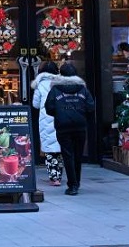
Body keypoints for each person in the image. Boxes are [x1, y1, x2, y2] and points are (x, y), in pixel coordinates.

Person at [45, 62, 95, 196]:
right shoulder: (83, 89)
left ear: (61, 74)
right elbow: (91, 107)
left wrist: (60, 114)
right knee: (78, 155)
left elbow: (49, 108)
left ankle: (72, 185)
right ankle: (76, 183)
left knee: (68, 155)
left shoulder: (55, 89)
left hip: (63, 127)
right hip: (80, 126)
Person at [31, 60, 63, 186]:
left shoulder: (41, 84)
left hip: (46, 118)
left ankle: (53, 176)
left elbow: (36, 104)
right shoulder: (61, 83)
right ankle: (59, 175)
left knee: (50, 150)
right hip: (61, 117)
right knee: (60, 148)